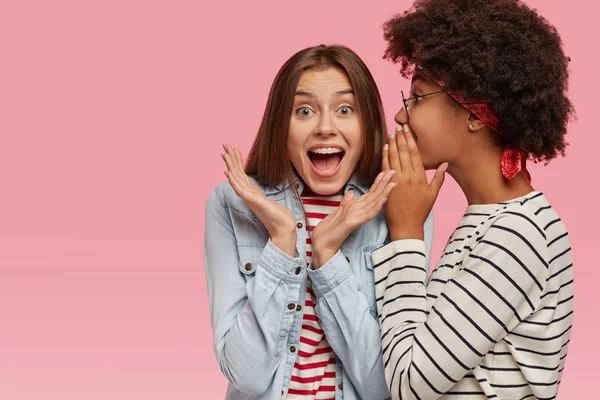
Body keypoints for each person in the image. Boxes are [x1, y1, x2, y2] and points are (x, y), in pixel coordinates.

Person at [204, 44, 434, 399]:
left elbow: (383, 384)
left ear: (368, 122)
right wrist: (281, 242)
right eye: (304, 110)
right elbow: (245, 376)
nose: (325, 128)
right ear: (281, 123)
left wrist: (326, 257)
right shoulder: (232, 203)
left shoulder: (400, 205)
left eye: (345, 109)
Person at [372, 0, 574, 399]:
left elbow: (409, 385)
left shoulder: (518, 235)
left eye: (417, 97)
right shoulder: (491, 220)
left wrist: (407, 235)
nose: (399, 116)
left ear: (476, 114)